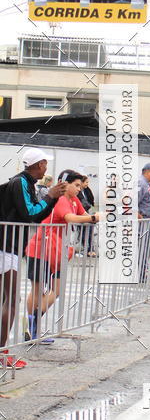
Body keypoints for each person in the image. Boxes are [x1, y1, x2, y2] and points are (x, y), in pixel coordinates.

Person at [0, 148, 66, 366]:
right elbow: (30, 214)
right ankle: (2, 353)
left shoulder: (25, 183)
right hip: (6, 246)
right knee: (10, 300)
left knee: (9, 300)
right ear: (38, 165)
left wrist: (51, 198)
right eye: (45, 164)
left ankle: (2, 351)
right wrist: (50, 196)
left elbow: (35, 215)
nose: (46, 167)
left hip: (11, 246)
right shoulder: (20, 183)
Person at [25, 170, 100, 343]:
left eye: (80, 186)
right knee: (37, 290)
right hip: (41, 248)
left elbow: (82, 215)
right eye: (76, 186)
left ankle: (33, 322)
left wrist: (99, 217)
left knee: (56, 290)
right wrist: (95, 217)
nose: (79, 190)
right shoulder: (60, 200)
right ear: (64, 184)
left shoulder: (74, 200)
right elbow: (71, 218)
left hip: (58, 251)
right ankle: (31, 326)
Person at [137, 162, 150, 283]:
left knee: (145, 247)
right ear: (148, 171)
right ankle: (139, 273)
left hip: (148, 220)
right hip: (143, 220)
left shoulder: (146, 184)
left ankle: (142, 271)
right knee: (142, 247)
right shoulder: (141, 183)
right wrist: (136, 212)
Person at [77, 176, 96, 257]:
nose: (87, 184)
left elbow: (90, 201)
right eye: (86, 182)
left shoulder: (87, 190)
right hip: (81, 213)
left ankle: (90, 249)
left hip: (88, 212)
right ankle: (85, 249)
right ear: (81, 182)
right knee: (83, 232)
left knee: (90, 231)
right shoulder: (78, 192)